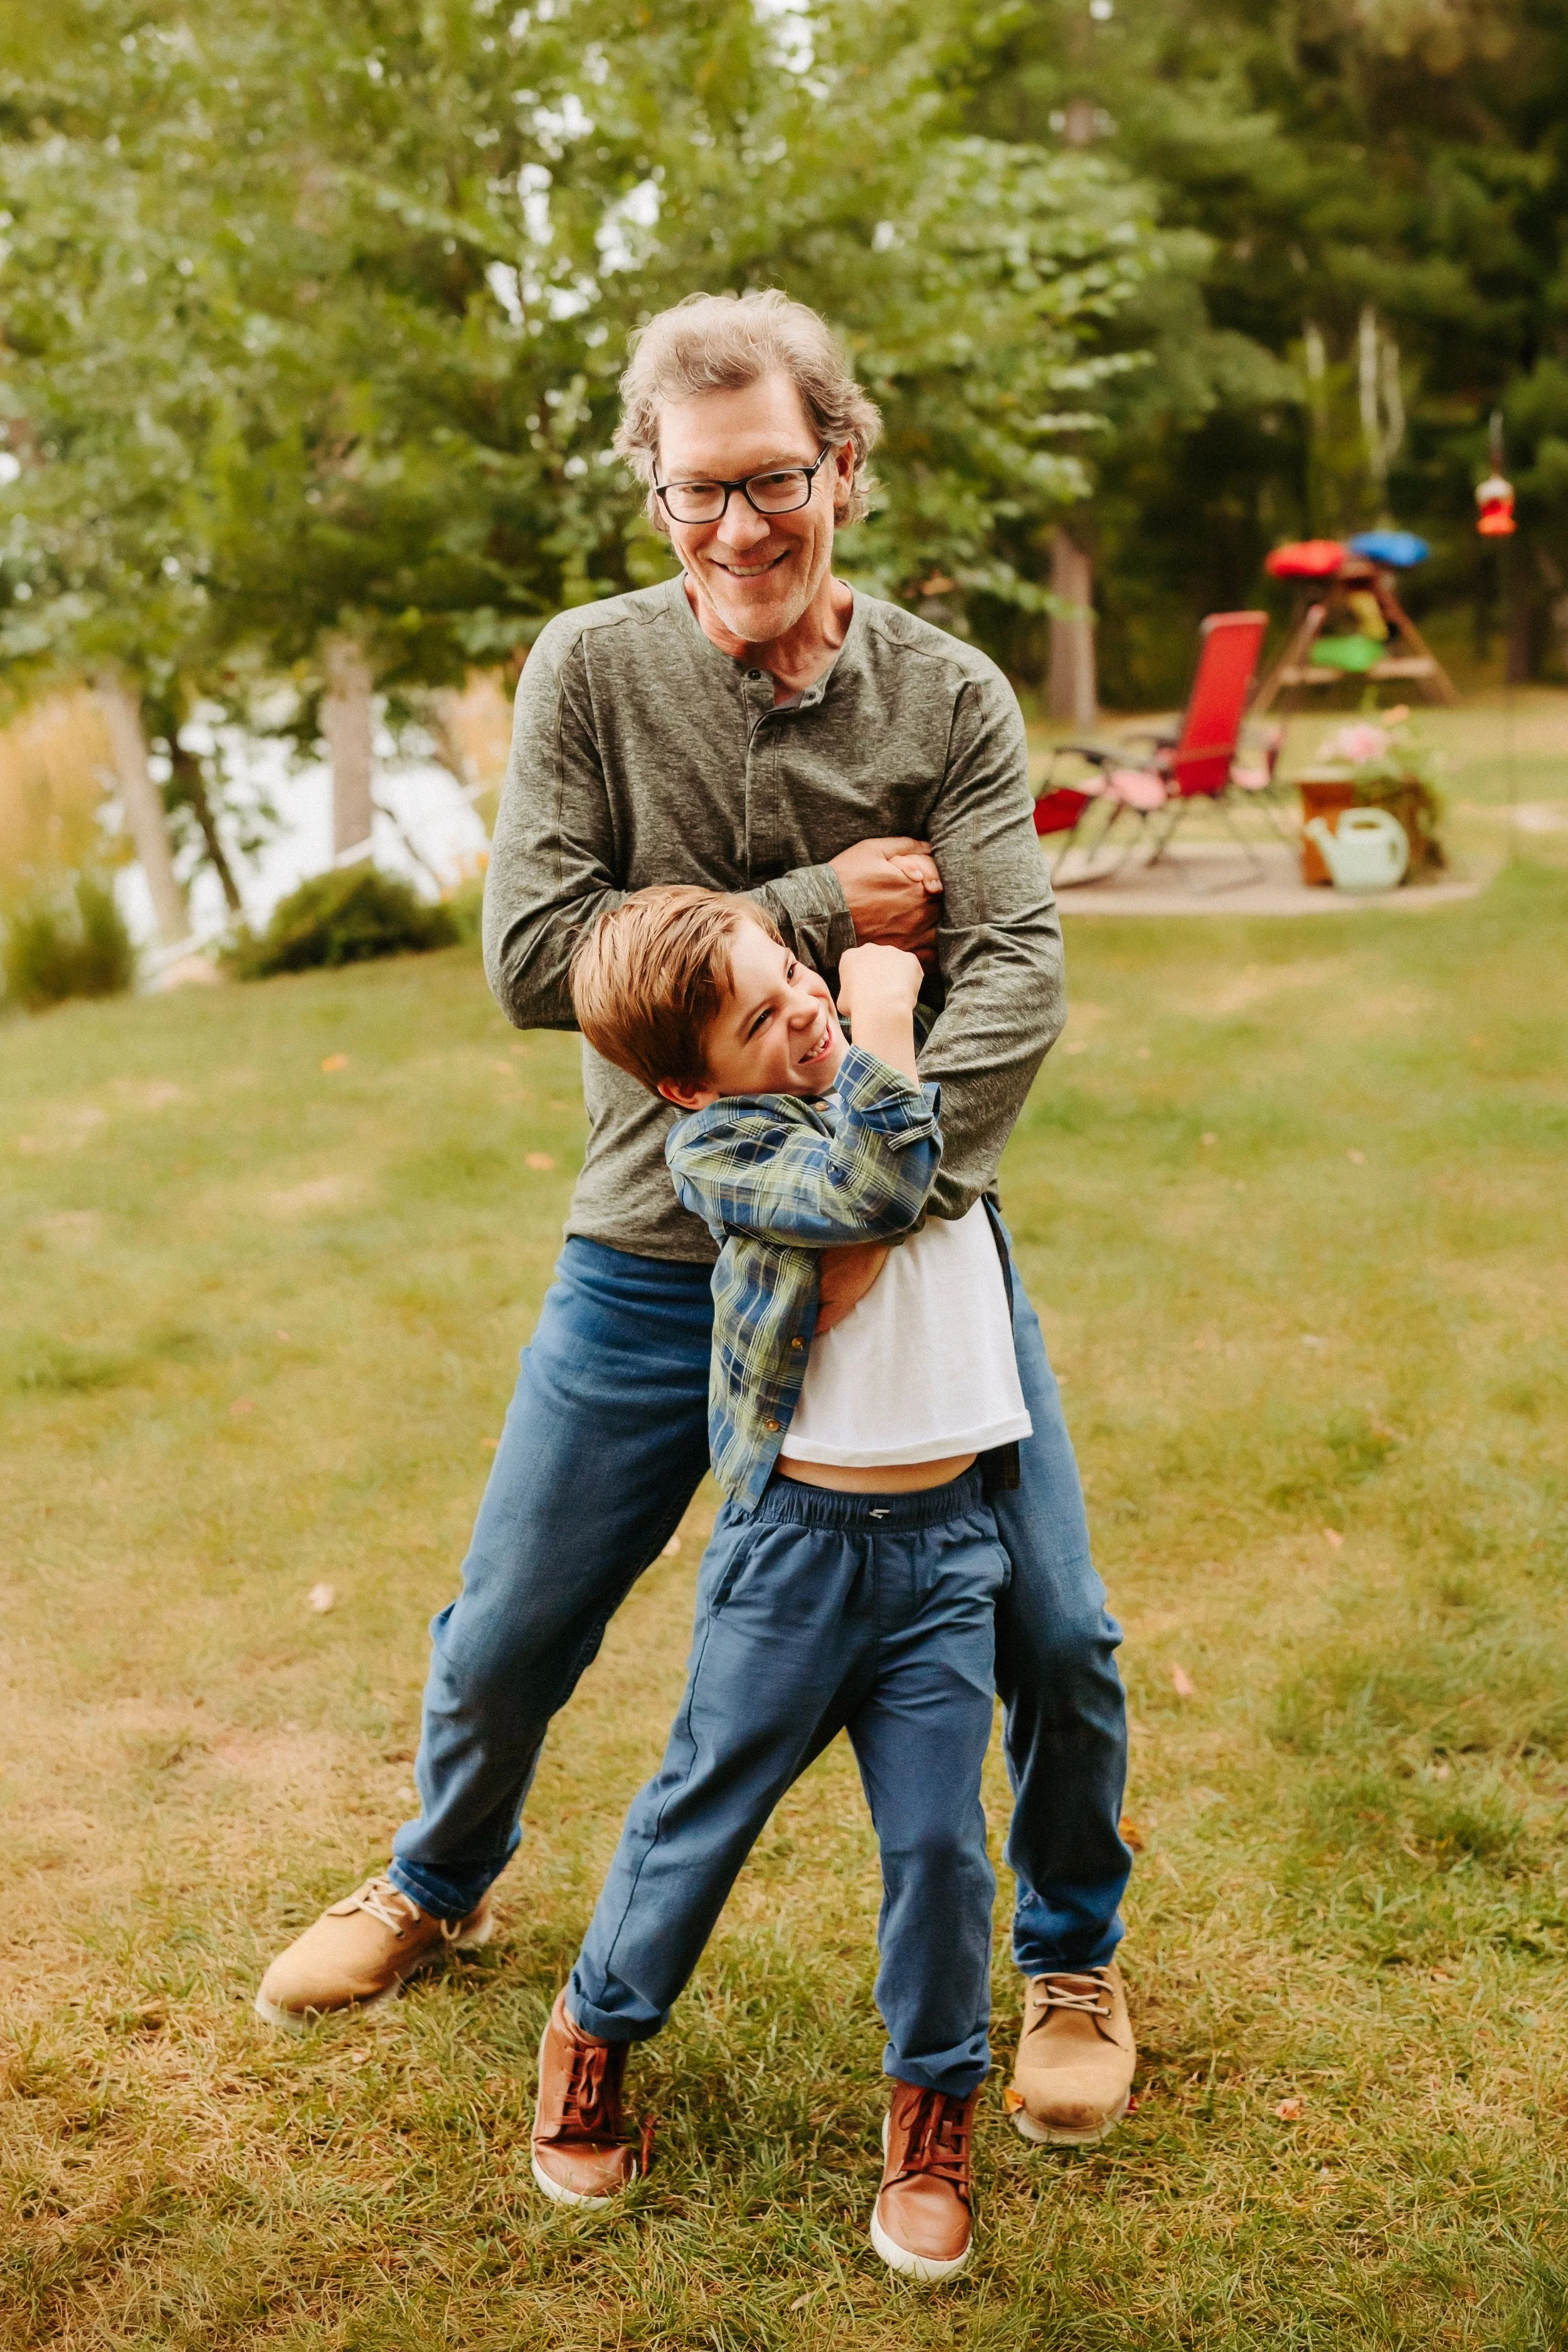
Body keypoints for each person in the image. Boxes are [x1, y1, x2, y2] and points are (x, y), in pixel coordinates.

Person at [256, 287, 1135, 2154]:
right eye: (692, 494)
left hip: (916, 1265)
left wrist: (889, 1199)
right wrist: (815, 894)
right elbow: (527, 956)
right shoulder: (584, 670)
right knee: (509, 1623)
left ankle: (1067, 1952)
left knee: (1053, 1629)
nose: (736, 530)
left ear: (842, 465)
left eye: (771, 482)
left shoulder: (949, 695)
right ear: (651, 494)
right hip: (650, 1254)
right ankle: (440, 1872)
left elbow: (1018, 979)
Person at [531, 885, 1027, 2281]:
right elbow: (874, 1181)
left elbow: (912, 1162)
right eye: (762, 1018)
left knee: (939, 1847)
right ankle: (593, 2034)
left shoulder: (895, 1073)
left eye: (796, 974)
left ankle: (930, 2112)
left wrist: (875, 1029)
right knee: (705, 1809)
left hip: (945, 1546)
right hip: (799, 1554)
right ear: (690, 1083)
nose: (803, 1004)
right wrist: (878, 1017)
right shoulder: (725, 1142)